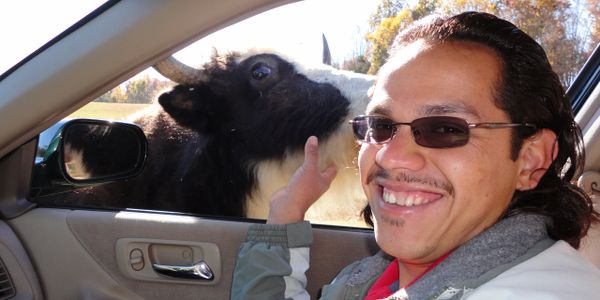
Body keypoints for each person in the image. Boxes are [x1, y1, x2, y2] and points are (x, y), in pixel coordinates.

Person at [230, 12, 600, 299]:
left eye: (445, 129)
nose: (390, 158)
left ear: (531, 159)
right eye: (380, 126)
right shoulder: (379, 275)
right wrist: (286, 215)